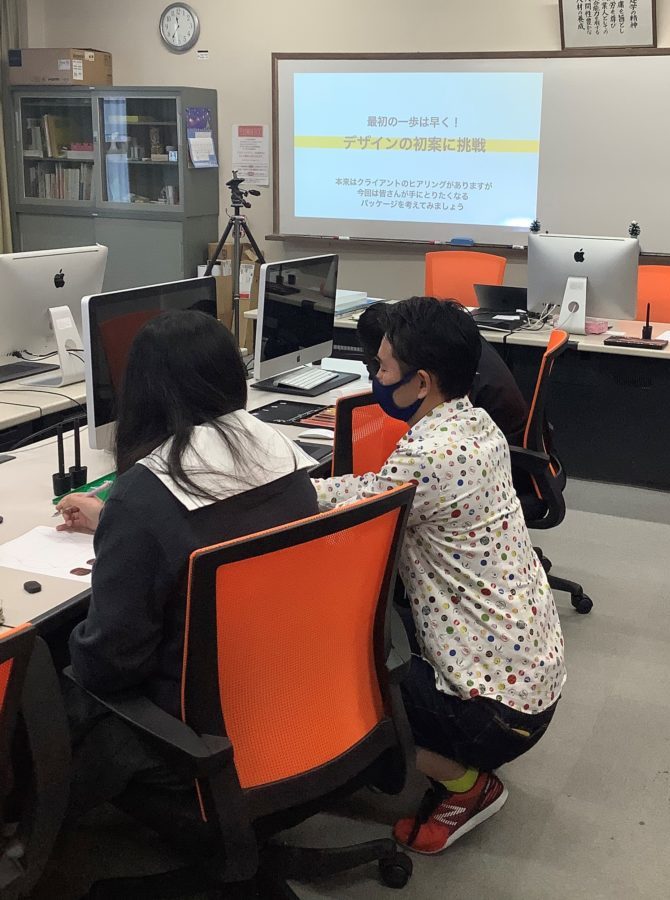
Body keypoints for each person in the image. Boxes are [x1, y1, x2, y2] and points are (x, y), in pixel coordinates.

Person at [313, 297, 565, 854]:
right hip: (532, 680)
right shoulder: (475, 423)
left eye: (381, 368)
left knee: (335, 668)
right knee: (372, 626)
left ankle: (467, 784)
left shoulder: (431, 455)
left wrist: (275, 486)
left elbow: (348, 504)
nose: (376, 377)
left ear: (422, 382)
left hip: (498, 715)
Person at [62, 310, 319, 814]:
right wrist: (114, 520)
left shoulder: (144, 497)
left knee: (42, 668)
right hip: (293, 691)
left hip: (200, 731)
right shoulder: (284, 458)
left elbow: (110, 664)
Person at [356, 300, 528, 444]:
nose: (378, 376)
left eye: (383, 366)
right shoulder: (453, 341)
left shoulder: (422, 455)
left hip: (508, 438)